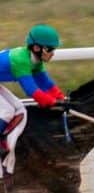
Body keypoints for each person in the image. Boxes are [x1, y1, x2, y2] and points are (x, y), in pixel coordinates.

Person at [0, 24, 66, 178]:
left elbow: (46, 84)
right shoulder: (21, 60)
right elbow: (32, 91)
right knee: (8, 111)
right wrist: (52, 103)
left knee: (20, 109)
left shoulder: (36, 60)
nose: (53, 53)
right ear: (36, 48)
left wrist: (62, 99)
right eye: (50, 49)